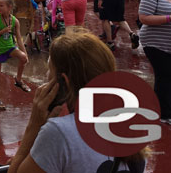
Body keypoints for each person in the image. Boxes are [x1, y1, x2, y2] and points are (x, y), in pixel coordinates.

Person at [9, 31, 146, 173]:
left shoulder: (58, 133)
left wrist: (33, 126)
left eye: (49, 70)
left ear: (64, 81)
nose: (46, 76)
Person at [138, 0, 171, 125]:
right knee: (164, 75)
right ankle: (163, 112)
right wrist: (168, 19)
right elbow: (144, 18)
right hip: (154, 43)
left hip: (168, 43)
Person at [0, 0, 30, 110]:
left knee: (23, 58)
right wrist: (1, 32)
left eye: (1, 5)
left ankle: (18, 79)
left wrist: (25, 53)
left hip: (10, 47)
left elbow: (18, 38)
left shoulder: (14, 21)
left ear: (9, 7)